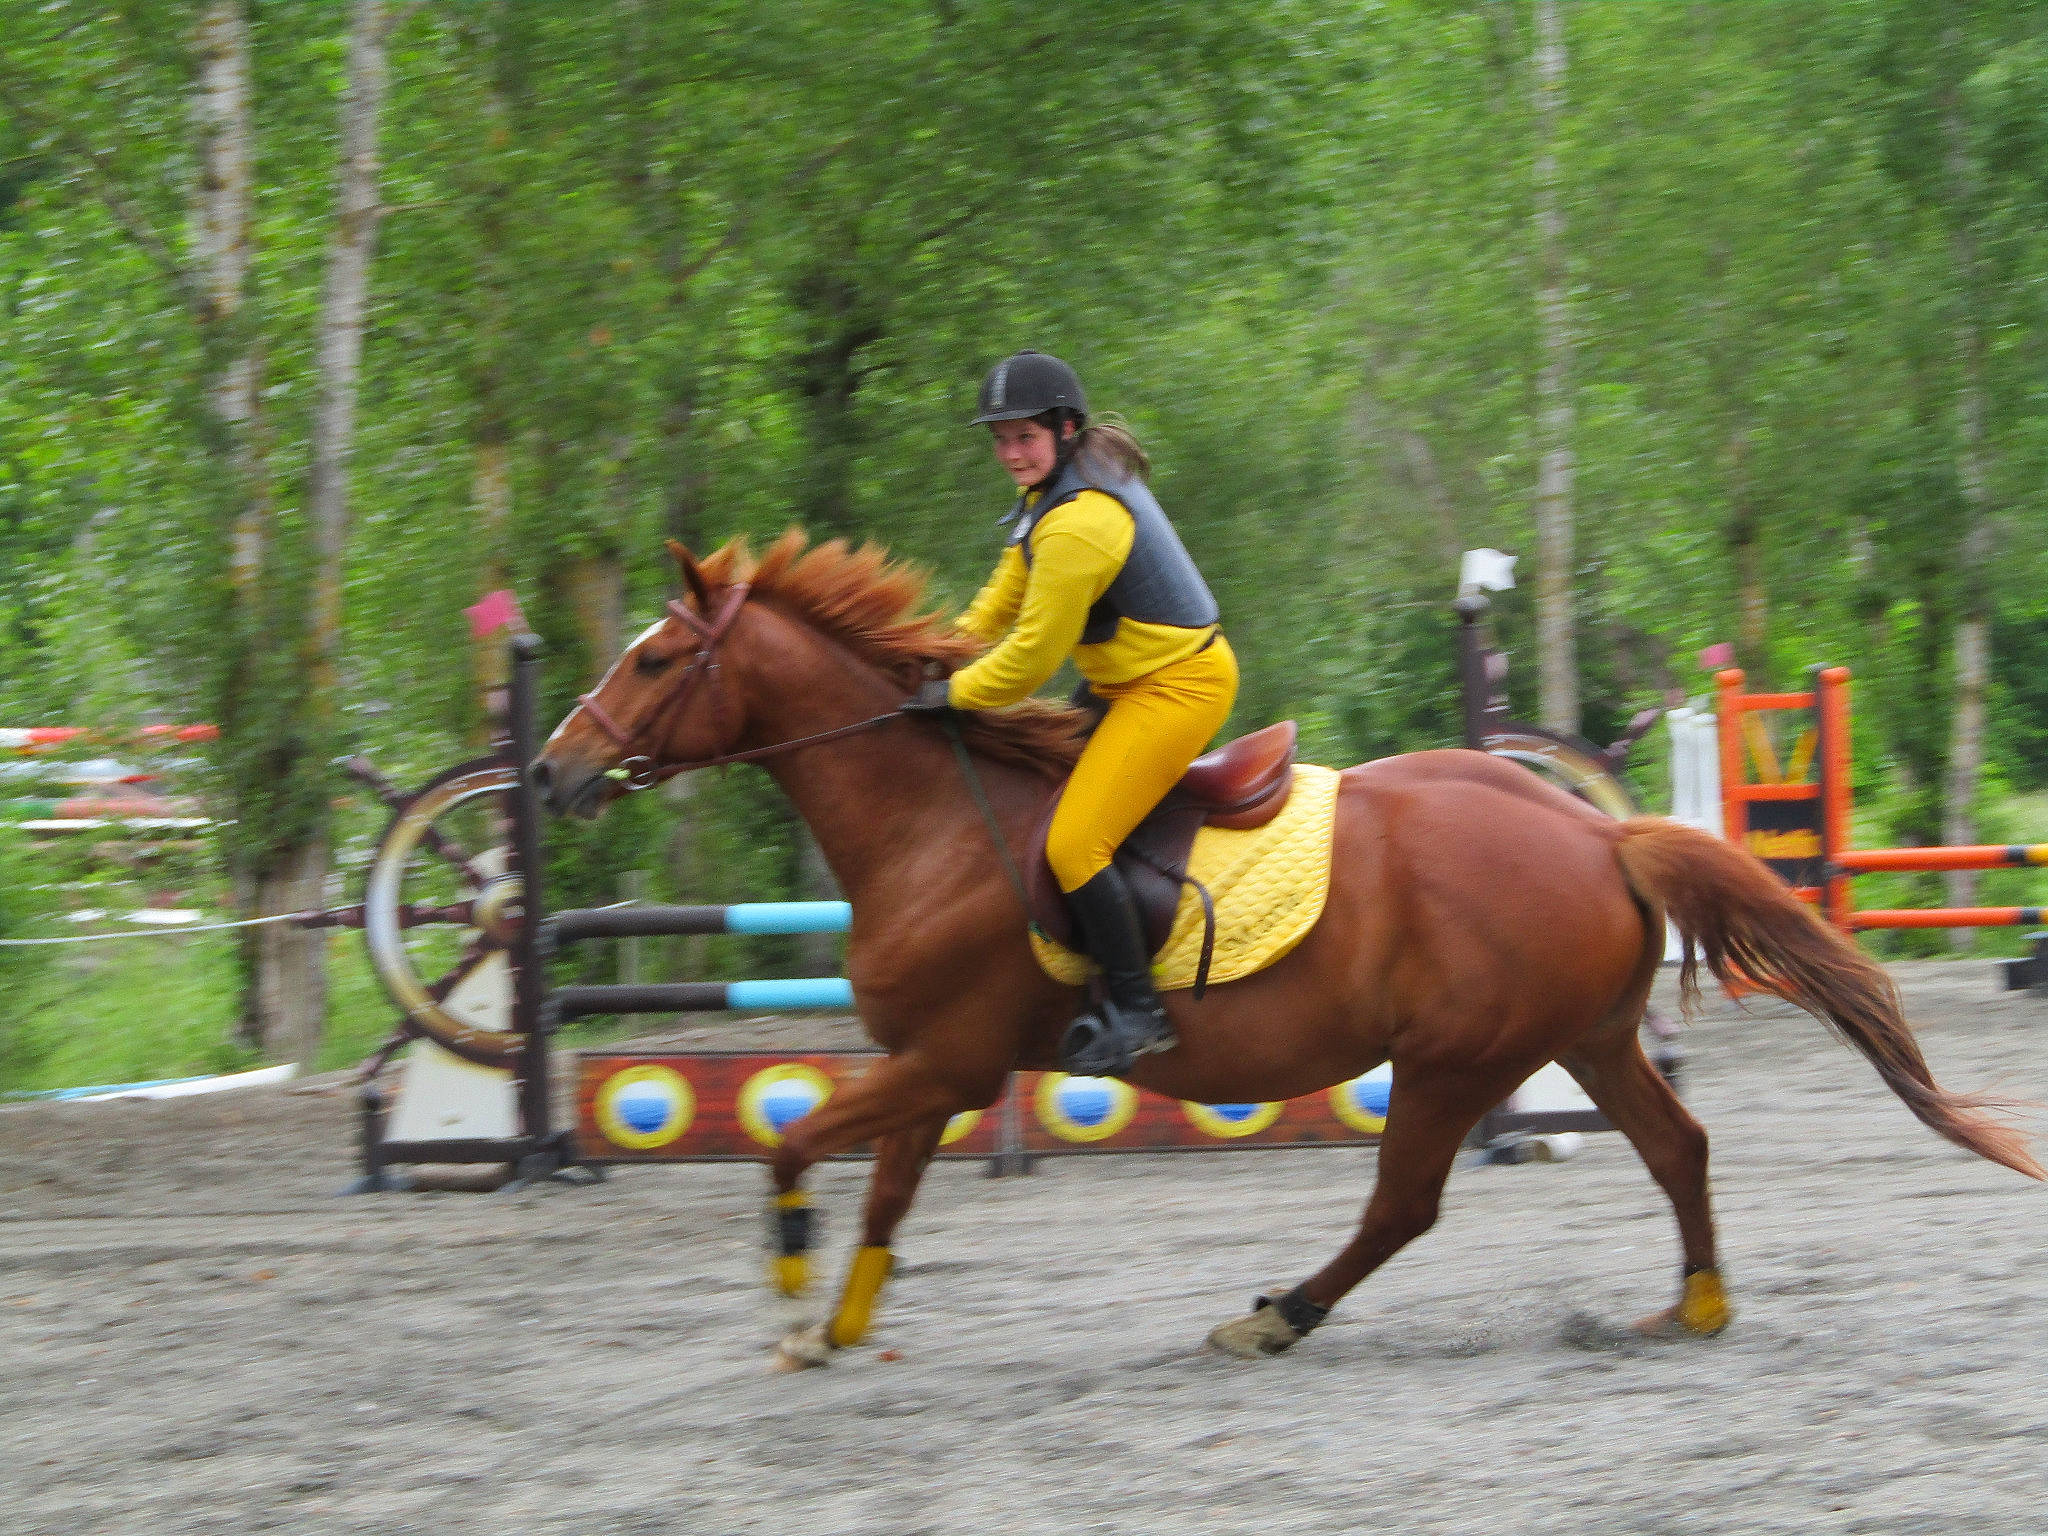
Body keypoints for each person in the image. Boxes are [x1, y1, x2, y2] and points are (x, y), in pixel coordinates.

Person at [902, 350, 1238, 1077]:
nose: (1009, 453)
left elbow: (1031, 658)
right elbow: (999, 602)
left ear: (1063, 428)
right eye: (999, 439)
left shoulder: (1078, 523)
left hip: (1177, 686)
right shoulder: (1048, 496)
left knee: (1074, 844)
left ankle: (1140, 1011)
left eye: (1023, 436)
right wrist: (939, 656)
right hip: (1124, 680)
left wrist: (952, 696)